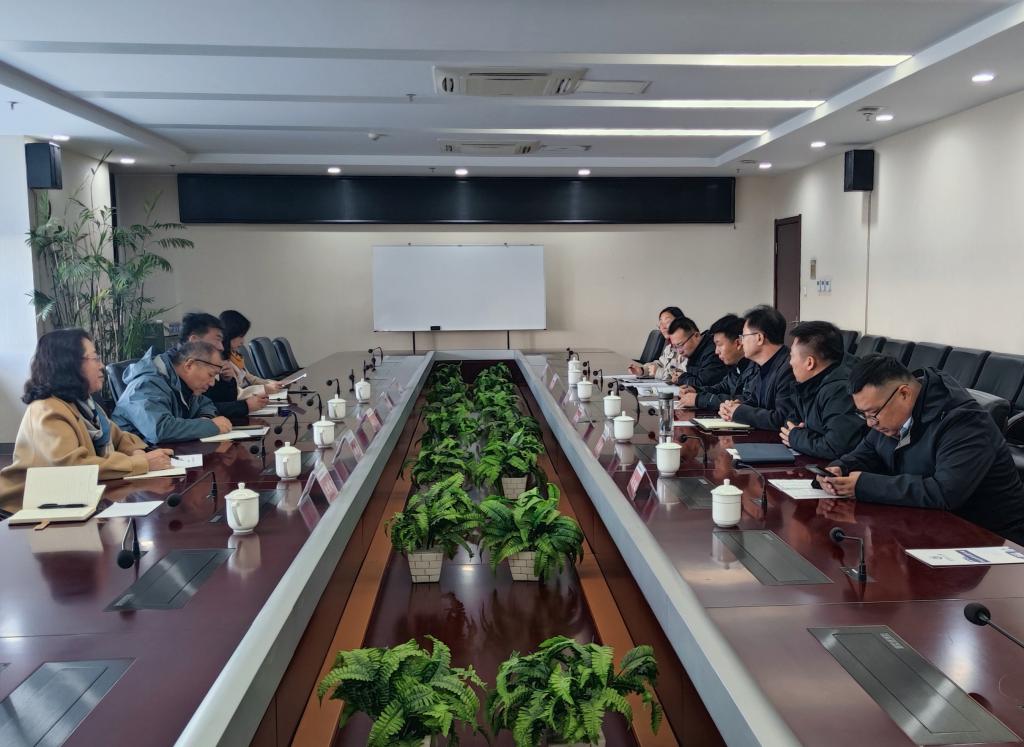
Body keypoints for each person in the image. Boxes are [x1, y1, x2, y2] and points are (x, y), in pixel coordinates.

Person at [822, 354, 1024, 544]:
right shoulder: (890, 417)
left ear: (904, 393)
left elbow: (945, 492)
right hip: (930, 527)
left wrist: (863, 485)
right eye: (864, 414)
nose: (870, 423)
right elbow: (868, 451)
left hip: (990, 539)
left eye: (873, 413)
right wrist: (840, 468)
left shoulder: (966, 422)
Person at [0, 329, 173, 515]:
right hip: (24, 512)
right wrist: (141, 463)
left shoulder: (83, 404)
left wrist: (136, 451)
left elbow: (119, 437)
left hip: (70, 503)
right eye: (95, 358)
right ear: (70, 364)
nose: (102, 365)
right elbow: (76, 468)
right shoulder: (47, 410)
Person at [112, 340, 233, 444]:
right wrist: (210, 426)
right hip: (135, 456)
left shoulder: (184, 385)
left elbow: (205, 403)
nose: (212, 383)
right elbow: (160, 430)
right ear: (189, 365)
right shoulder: (145, 385)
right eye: (211, 375)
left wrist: (206, 418)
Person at [780, 321, 867, 459]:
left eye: (792, 356)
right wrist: (801, 434)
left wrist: (798, 438)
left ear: (809, 362)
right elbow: (790, 423)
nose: (790, 363)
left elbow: (838, 447)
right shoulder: (806, 384)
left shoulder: (839, 391)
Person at [179, 312, 270, 418]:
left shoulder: (204, 364)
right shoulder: (174, 372)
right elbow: (197, 412)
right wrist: (245, 406)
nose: (221, 347)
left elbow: (216, 401)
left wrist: (227, 381)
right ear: (194, 340)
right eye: (217, 339)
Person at [719, 305, 796, 430]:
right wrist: (734, 407)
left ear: (759, 338)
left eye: (743, 336)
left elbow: (783, 419)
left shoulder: (789, 368)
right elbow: (755, 401)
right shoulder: (762, 365)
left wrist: (740, 412)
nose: (741, 342)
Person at [677, 314, 752, 410]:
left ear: (738, 343)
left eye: (719, 345)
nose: (716, 351)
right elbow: (723, 387)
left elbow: (746, 401)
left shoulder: (755, 367)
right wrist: (696, 390)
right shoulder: (736, 366)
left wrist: (699, 399)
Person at [219, 310, 285, 393]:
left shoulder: (234, 356)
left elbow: (250, 379)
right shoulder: (220, 361)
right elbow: (236, 393)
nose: (243, 342)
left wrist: (271, 383)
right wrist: (264, 389)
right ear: (229, 334)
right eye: (241, 336)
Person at [664, 315, 728, 388]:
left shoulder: (712, 351)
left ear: (696, 335)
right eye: (675, 347)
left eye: (680, 345)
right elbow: (694, 376)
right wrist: (682, 376)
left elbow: (703, 383)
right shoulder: (695, 351)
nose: (679, 351)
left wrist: (681, 378)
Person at [628, 306, 684, 379]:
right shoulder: (669, 347)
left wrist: (658, 372)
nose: (663, 327)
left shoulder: (687, 348)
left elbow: (683, 376)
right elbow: (660, 364)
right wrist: (642, 370)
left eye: (667, 322)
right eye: (661, 323)